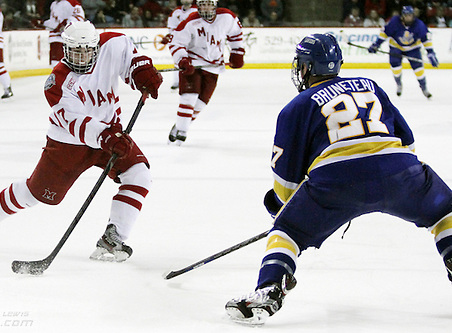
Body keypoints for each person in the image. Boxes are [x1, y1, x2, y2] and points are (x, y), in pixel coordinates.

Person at [225, 33, 452, 325]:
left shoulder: (298, 105)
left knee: (287, 232)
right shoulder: (371, 86)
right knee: (444, 212)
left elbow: (287, 183)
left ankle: (269, 290)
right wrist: (393, 182)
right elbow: (406, 141)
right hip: (401, 169)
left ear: (305, 67)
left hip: (336, 182)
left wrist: (285, 210)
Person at [0, 21, 163, 263]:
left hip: (110, 135)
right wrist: (105, 137)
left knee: (139, 174)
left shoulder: (113, 43)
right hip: (69, 145)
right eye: (75, 52)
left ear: (96, 47)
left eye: (86, 51)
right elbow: (75, 122)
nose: (81, 57)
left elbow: (132, 60)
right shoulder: (57, 83)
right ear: (65, 50)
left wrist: (140, 73)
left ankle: (114, 239)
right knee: (36, 194)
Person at [167, 0, 245, 145]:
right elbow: (176, 43)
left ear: (214, 5)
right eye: (202, 4)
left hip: (214, 67)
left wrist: (237, 52)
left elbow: (236, 34)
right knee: (188, 98)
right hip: (193, 64)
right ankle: (182, 133)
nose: (205, 7)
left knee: (200, 104)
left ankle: (179, 126)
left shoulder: (227, 17)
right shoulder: (190, 22)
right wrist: (183, 60)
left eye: (208, 4)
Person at [368, 6, 439, 98]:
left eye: (410, 15)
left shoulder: (419, 25)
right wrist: (376, 44)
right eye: (407, 15)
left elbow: (426, 39)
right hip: (396, 47)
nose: (409, 17)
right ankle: (399, 84)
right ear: (402, 16)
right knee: (395, 68)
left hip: (413, 49)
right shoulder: (395, 22)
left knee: (419, 70)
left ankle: (424, 88)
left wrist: (430, 52)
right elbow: (385, 32)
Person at [161, 0, 197, 90]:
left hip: (194, 40)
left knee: (194, 60)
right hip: (181, 40)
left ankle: (194, 81)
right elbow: (172, 28)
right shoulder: (176, 12)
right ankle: (177, 82)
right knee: (179, 59)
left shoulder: (196, 10)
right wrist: (170, 36)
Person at [44, 0, 85, 67]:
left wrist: (65, 25)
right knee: (54, 64)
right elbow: (53, 22)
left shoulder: (72, 2)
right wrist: (43, 23)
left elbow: (79, 18)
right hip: (53, 39)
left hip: (65, 40)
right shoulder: (54, 4)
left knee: (62, 65)